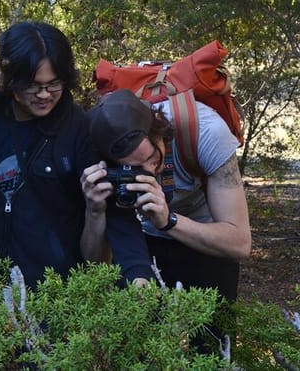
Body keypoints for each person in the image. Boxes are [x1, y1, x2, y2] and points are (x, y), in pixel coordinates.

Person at [0, 21, 115, 297]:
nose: (45, 95)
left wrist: (96, 207)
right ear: (9, 79)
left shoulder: (79, 129)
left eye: (54, 84)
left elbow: (97, 247)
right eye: (33, 85)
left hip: (53, 300)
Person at [82, 89, 251, 301]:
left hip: (207, 239)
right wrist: (95, 210)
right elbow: (99, 262)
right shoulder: (97, 155)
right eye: (135, 168)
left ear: (160, 126)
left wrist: (168, 220)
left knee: (212, 331)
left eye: (152, 157)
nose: (150, 170)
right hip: (144, 241)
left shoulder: (207, 132)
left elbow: (240, 243)